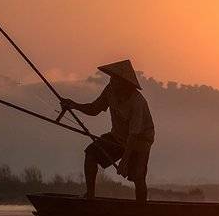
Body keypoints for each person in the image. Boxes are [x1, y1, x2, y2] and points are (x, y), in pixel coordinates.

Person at [59, 59, 155, 201]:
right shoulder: (110, 90)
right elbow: (94, 108)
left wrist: (125, 161)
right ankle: (90, 196)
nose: (112, 82)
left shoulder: (137, 102)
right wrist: (73, 105)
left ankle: (141, 209)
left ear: (125, 84)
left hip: (139, 142)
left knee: (138, 176)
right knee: (91, 154)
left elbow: (134, 135)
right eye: (112, 79)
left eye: (116, 80)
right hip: (117, 136)